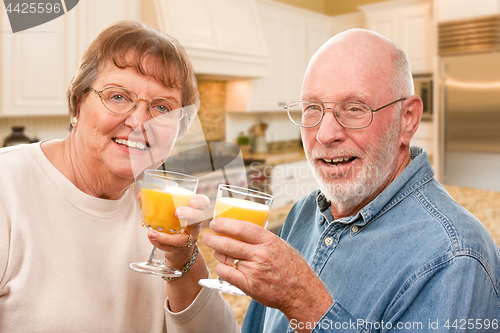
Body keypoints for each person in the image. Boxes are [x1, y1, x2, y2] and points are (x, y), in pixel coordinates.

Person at [157, 29, 500, 332]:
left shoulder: (456, 257)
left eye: (354, 108)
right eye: (312, 108)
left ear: (407, 119)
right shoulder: (304, 212)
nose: (325, 134)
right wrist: (184, 262)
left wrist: (305, 303)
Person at [0, 20, 237, 332]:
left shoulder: (161, 207)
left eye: (162, 108)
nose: (139, 121)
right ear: (77, 103)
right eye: (118, 96)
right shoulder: (8, 186)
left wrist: (184, 261)